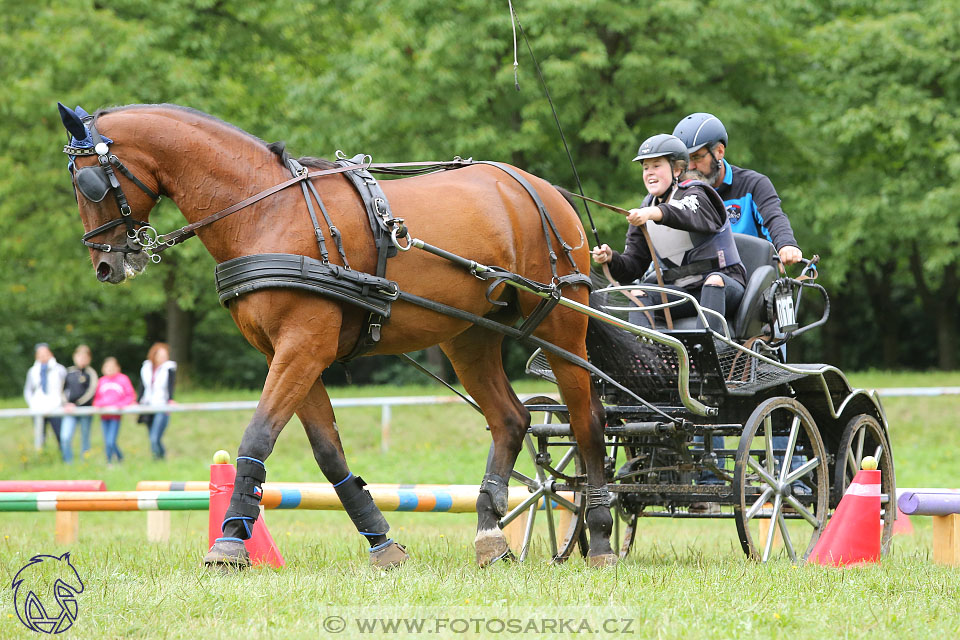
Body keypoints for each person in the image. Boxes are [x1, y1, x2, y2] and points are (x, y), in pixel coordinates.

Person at [592, 133, 746, 333]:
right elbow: (633, 266)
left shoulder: (697, 193)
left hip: (724, 285)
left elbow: (685, 212)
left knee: (713, 281)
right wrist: (611, 258)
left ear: (677, 169)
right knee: (639, 293)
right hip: (683, 293)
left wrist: (653, 213)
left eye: (656, 166)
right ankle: (643, 359)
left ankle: (709, 353)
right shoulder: (645, 208)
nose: (649, 173)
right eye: (645, 168)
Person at [672, 113, 803, 266]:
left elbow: (773, 218)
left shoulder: (753, 184)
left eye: (696, 157)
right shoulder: (676, 192)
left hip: (749, 279)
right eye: (686, 161)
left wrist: (786, 245)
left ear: (720, 151)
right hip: (696, 279)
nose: (691, 167)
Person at [23, 343, 66, 452]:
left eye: (45, 353)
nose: (43, 356)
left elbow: (66, 388)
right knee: (40, 435)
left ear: (50, 354)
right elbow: (28, 390)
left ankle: (64, 455)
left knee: (59, 433)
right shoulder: (33, 371)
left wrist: (63, 402)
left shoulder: (59, 369)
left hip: (56, 406)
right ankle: (42, 456)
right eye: (40, 354)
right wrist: (32, 404)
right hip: (38, 407)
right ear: (36, 356)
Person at [93, 357, 136, 465]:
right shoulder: (101, 381)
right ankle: (112, 461)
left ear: (118, 368)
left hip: (115, 416)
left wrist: (119, 405)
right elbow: (96, 398)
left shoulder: (123, 379)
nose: (110, 369)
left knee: (110, 441)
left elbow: (130, 396)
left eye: (112, 367)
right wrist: (99, 405)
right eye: (107, 367)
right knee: (107, 441)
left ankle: (116, 460)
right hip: (104, 415)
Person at [60, 345, 99, 463]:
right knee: (65, 437)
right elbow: (61, 390)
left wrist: (77, 404)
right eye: (79, 356)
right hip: (69, 410)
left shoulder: (91, 373)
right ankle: (68, 462)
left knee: (85, 437)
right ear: (74, 357)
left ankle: (85, 462)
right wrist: (66, 404)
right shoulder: (69, 372)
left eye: (85, 357)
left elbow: (91, 392)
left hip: (85, 411)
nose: (82, 359)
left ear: (89, 359)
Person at [139, 342, 177, 460]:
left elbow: (171, 385)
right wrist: (137, 401)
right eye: (161, 355)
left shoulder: (169, 368)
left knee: (155, 438)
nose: (163, 358)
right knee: (152, 437)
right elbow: (142, 386)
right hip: (147, 405)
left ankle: (160, 458)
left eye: (165, 355)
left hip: (162, 405)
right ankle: (159, 459)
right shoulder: (146, 367)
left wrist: (170, 399)